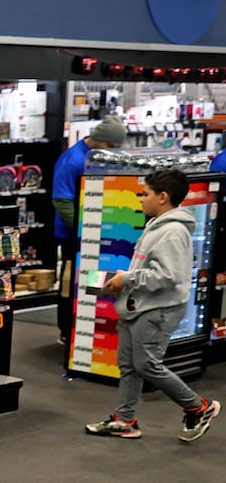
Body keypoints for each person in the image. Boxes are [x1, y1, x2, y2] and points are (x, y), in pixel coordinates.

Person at [85, 167, 220, 441]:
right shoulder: (155, 225)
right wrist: (122, 281)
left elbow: (169, 276)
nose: (140, 198)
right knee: (129, 365)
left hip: (158, 310)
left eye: (144, 193)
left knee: (146, 364)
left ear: (163, 196)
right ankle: (125, 420)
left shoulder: (172, 232)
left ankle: (197, 406)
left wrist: (127, 278)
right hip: (139, 305)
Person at [54, 116, 127, 344]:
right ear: (99, 139)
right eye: (111, 146)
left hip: (97, 234)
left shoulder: (101, 158)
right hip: (73, 236)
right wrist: (82, 229)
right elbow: (61, 200)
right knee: (70, 284)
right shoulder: (73, 160)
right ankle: (67, 333)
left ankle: (91, 329)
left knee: (92, 283)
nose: (113, 150)